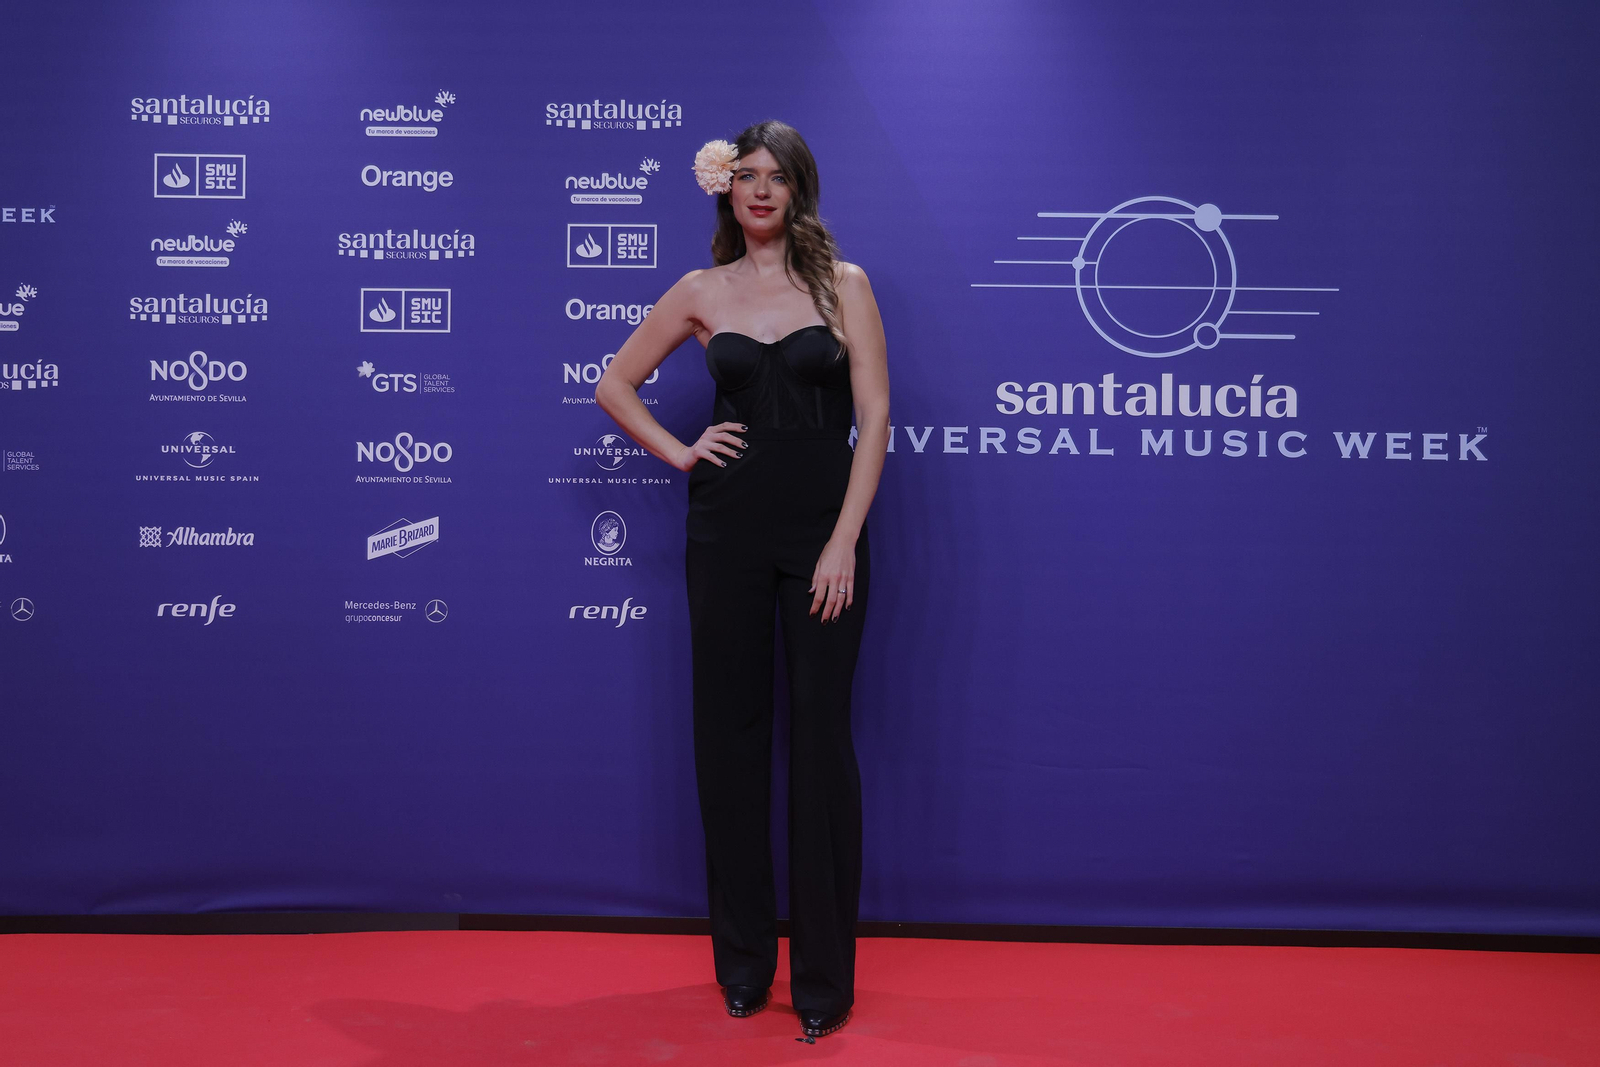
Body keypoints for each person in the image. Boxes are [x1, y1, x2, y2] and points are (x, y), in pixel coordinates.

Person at [595, 120, 889, 1039]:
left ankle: (825, 984)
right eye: (745, 176)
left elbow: (874, 419)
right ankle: (744, 965)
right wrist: (684, 451)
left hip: (821, 541)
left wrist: (842, 539)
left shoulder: (844, 286)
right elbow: (614, 385)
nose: (760, 190)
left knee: (820, 750)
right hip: (724, 534)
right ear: (725, 190)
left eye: (777, 177)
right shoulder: (698, 289)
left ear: (800, 188)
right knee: (729, 743)